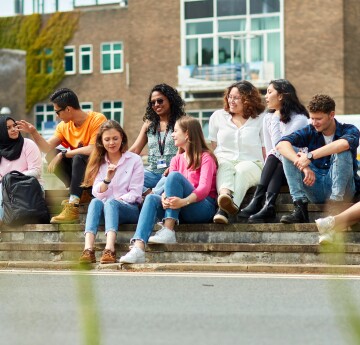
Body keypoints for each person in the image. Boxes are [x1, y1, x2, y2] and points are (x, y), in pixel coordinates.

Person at [119, 116, 218, 264]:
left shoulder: (206, 157)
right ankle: (138, 248)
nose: (172, 134)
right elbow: (169, 186)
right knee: (152, 198)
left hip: (202, 207)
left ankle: (169, 229)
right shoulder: (176, 159)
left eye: (176, 131)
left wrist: (183, 201)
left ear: (187, 134)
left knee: (175, 176)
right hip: (180, 208)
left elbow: (204, 189)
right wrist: (165, 197)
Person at [17, 88, 107, 224]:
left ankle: (72, 207)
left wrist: (64, 154)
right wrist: (34, 132)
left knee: (78, 156)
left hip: (98, 171)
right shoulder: (63, 127)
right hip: (81, 174)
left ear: (68, 109)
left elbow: (93, 149)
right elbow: (47, 148)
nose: (57, 116)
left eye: (57, 112)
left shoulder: (97, 119)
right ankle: (81, 193)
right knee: (51, 155)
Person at [277, 94, 360, 224]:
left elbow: (343, 144)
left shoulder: (349, 129)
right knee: (290, 152)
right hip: (314, 186)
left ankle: (334, 208)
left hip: (344, 190)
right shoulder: (309, 130)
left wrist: (310, 156)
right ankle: (300, 208)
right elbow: (281, 145)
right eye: (312, 118)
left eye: (319, 119)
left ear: (331, 115)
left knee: (342, 150)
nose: (314, 123)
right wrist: (304, 166)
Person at [239, 79, 309, 223]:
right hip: (277, 168)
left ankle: (258, 201)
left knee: (279, 152)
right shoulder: (268, 118)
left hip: (296, 169)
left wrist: (276, 119)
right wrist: (273, 118)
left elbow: (280, 146)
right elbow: (271, 149)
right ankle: (267, 205)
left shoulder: (300, 120)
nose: (266, 96)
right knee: (275, 158)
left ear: (281, 96)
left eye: (269, 92)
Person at [78, 120, 144, 264]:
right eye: (107, 139)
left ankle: (110, 249)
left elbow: (135, 193)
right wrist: (107, 179)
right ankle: (88, 249)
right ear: (101, 142)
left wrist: (114, 201)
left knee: (111, 203)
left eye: (115, 138)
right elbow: (96, 192)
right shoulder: (99, 162)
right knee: (95, 202)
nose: (111, 143)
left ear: (122, 139)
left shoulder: (134, 160)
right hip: (106, 210)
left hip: (129, 209)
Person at [208, 80, 266, 224]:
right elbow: (214, 145)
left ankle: (223, 210)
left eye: (236, 98)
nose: (231, 101)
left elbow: (265, 148)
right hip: (225, 159)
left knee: (241, 169)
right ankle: (225, 197)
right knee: (224, 165)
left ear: (248, 100)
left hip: (253, 163)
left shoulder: (261, 119)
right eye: (230, 97)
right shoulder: (218, 116)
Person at [129, 83, 185, 196]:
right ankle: (151, 195)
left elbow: (186, 151)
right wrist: (118, 163)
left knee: (173, 178)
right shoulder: (148, 125)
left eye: (160, 101)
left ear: (170, 100)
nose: (156, 105)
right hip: (152, 172)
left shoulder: (181, 122)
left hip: (172, 171)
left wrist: (173, 167)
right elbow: (135, 150)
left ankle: (153, 196)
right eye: (153, 102)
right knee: (126, 177)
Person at [0, 115, 44, 225]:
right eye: (8, 128)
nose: (14, 129)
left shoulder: (28, 144)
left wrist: (11, 179)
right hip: (5, 190)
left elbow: (36, 171)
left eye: (14, 126)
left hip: (29, 186)